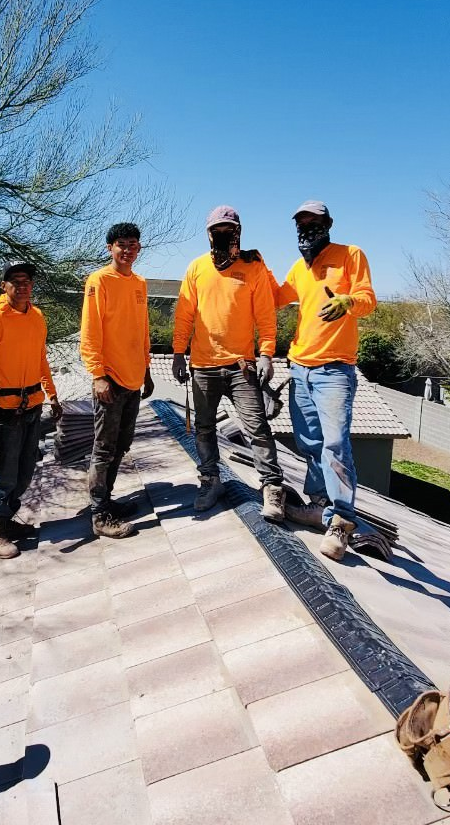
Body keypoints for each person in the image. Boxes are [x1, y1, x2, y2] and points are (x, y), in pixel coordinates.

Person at [171, 206, 287, 520]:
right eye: (216, 229)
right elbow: (184, 315)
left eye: (228, 229)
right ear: (208, 233)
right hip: (203, 367)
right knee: (204, 429)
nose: (222, 234)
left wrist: (266, 353)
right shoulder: (196, 268)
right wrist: (179, 353)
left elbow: (266, 315)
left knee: (258, 429)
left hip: (241, 367)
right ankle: (210, 482)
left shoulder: (253, 267)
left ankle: (273, 490)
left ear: (238, 231)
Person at [275, 200, 376, 560]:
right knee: (310, 442)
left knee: (335, 445)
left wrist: (347, 301)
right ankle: (319, 506)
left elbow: (368, 299)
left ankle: (342, 521)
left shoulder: (350, 255)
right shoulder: (300, 267)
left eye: (314, 221)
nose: (307, 227)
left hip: (334, 369)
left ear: (329, 223)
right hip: (299, 366)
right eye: (301, 221)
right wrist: (249, 270)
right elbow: (275, 296)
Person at [0, 263, 62, 559]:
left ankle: (7, 520)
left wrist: (53, 395)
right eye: (15, 281)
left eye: (27, 281)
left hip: (33, 405)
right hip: (6, 410)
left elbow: (41, 359)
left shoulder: (36, 317)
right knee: (5, 473)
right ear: (3, 285)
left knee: (25, 472)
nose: (22, 285)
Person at [80, 222, 156, 539]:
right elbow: (90, 331)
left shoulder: (139, 283)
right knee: (104, 448)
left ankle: (107, 501)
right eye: (122, 244)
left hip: (133, 379)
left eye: (133, 245)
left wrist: (147, 370)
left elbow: (141, 330)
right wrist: (97, 374)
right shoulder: (99, 280)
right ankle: (99, 514)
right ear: (110, 248)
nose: (128, 250)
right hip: (109, 379)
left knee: (121, 446)